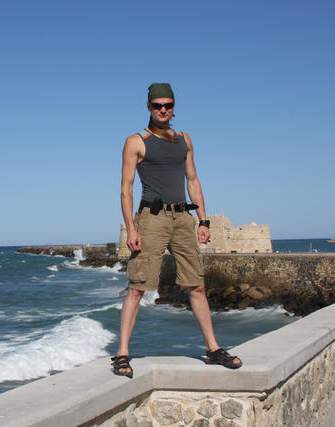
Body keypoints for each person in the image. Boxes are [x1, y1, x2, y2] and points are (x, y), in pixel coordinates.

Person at [111, 83, 242, 378]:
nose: (163, 110)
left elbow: (193, 180)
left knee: (197, 285)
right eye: (157, 105)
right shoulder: (136, 141)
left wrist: (203, 220)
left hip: (183, 218)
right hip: (152, 219)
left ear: (174, 107)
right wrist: (131, 228)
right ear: (148, 107)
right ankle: (121, 354)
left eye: (168, 105)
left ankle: (213, 349)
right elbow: (125, 189)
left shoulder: (184, 140)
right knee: (137, 287)